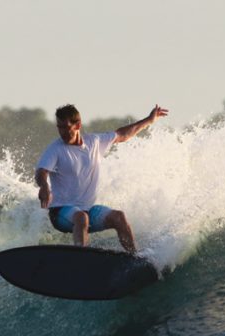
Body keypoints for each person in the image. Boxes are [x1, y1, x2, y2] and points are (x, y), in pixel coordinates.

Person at [35, 104, 169, 253]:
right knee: (81, 218)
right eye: (59, 127)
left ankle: (136, 258)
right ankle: (81, 259)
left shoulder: (94, 142)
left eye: (66, 127)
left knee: (119, 217)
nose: (62, 132)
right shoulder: (55, 149)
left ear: (78, 125)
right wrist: (44, 186)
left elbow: (122, 134)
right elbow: (41, 172)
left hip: (88, 211)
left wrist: (149, 120)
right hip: (60, 212)